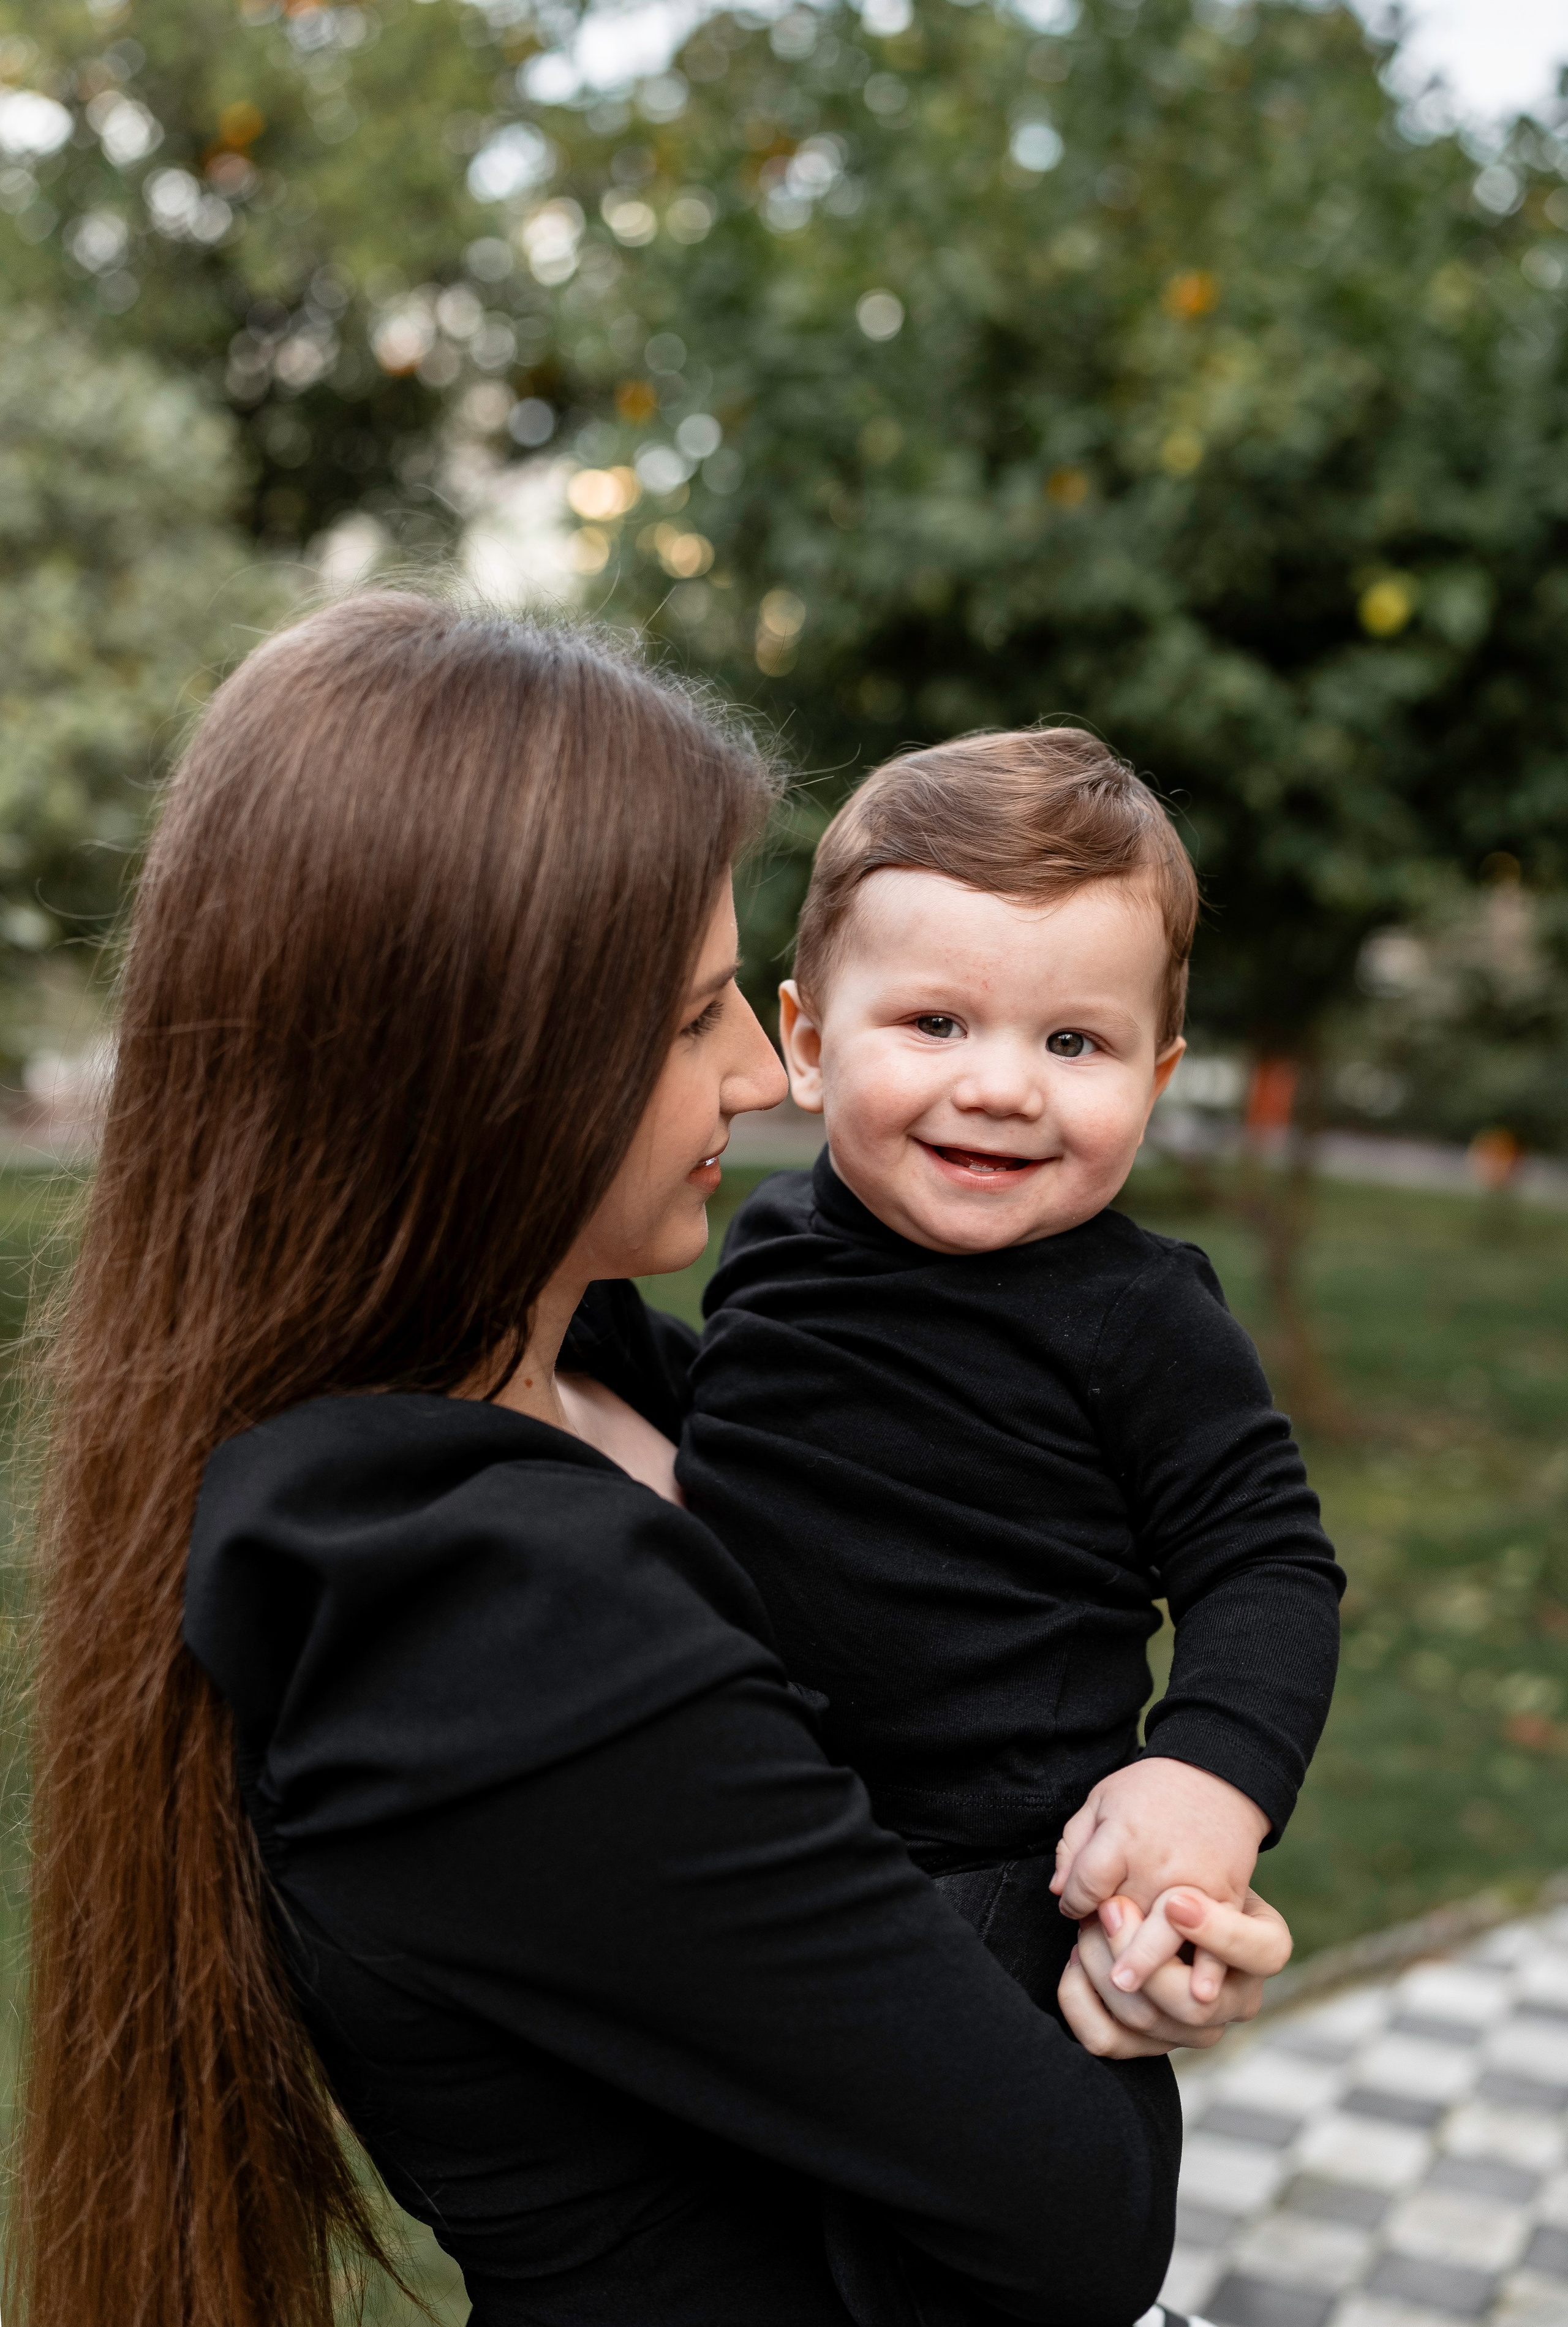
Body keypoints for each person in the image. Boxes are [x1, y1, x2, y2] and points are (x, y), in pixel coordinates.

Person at [14, 599, 1287, 2327]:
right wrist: (1101, 2013)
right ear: (486, 1058)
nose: (766, 1077)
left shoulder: (610, 1373)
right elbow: (1074, 2208)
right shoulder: (479, 1604)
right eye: (701, 1018)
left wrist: (1170, 1875)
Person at [679, 729, 1344, 2022]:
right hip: (759, 1814)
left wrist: (1210, 1775)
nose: (999, 1088)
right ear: (807, 1045)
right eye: (935, 1023)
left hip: (991, 1868)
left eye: (1073, 1045)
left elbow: (1263, 1562)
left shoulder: (1138, 1315)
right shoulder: (769, 1240)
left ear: (1153, 1082)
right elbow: (733, 1430)